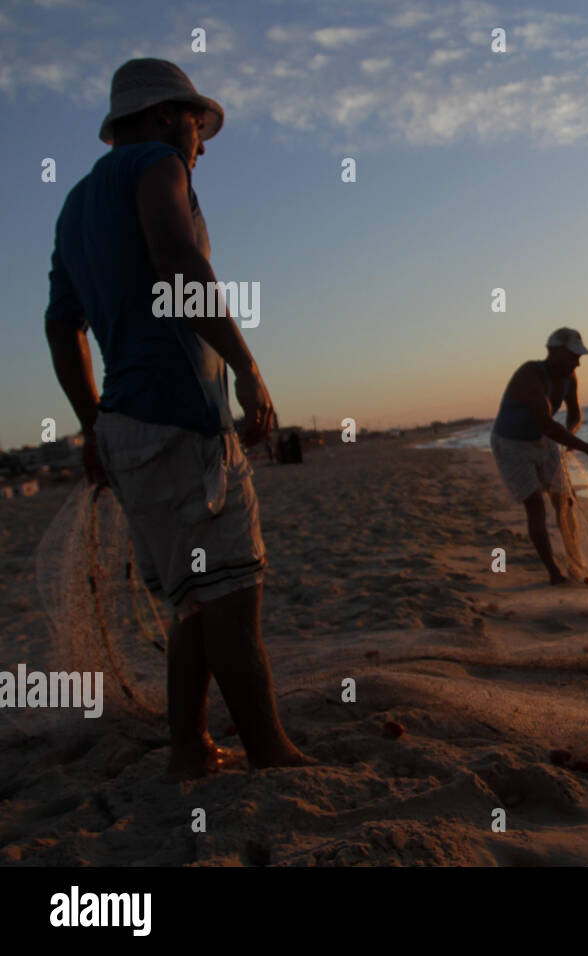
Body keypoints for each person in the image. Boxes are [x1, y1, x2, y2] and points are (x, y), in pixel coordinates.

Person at [43, 58, 312, 777]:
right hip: (180, 419)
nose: (204, 143)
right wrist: (248, 368)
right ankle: (271, 753)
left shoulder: (73, 206)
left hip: (127, 427)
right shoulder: (159, 163)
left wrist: (92, 422)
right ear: (166, 116)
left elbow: (59, 327)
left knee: (195, 598)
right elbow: (176, 258)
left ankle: (190, 748)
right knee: (233, 594)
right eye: (198, 124)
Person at [490, 328, 588, 584]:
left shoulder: (570, 377)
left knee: (564, 501)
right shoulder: (530, 374)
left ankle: (576, 564)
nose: (577, 362)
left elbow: (575, 414)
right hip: (511, 444)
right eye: (572, 356)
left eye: (579, 357)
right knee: (535, 505)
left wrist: (570, 433)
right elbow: (545, 422)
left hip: (543, 440)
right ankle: (554, 573)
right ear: (553, 353)